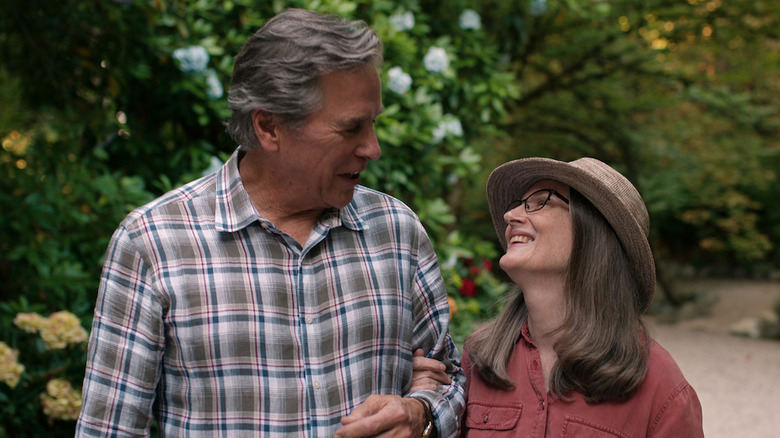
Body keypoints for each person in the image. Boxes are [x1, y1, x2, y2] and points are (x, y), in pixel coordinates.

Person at [76, 8, 465, 437]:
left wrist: (421, 415)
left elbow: (449, 378)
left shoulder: (397, 230)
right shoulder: (153, 243)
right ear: (269, 126)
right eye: (351, 128)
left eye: (372, 123)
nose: (372, 148)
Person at [412, 157, 704, 436]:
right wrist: (425, 411)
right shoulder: (479, 357)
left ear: (592, 230)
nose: (509, 215)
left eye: (540, 202)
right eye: (518, 205)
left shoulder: (659, 385)